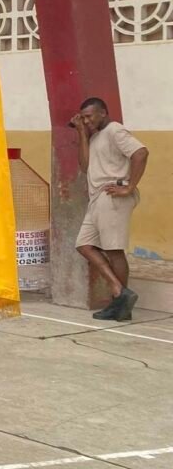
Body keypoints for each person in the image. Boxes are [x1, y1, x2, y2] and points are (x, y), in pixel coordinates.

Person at [71, 97, 148, 321]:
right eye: (83, 117)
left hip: (112, 197)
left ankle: (120, 306)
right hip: (97, 199)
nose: (86, 120)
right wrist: (82, 133)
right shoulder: (94, 137)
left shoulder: (115, 130)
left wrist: (130, 186)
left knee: (114, 250)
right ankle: (120, 291)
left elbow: (141, 153)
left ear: (103, 113)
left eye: (89, 116)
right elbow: (85, 166)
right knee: (84, 245)